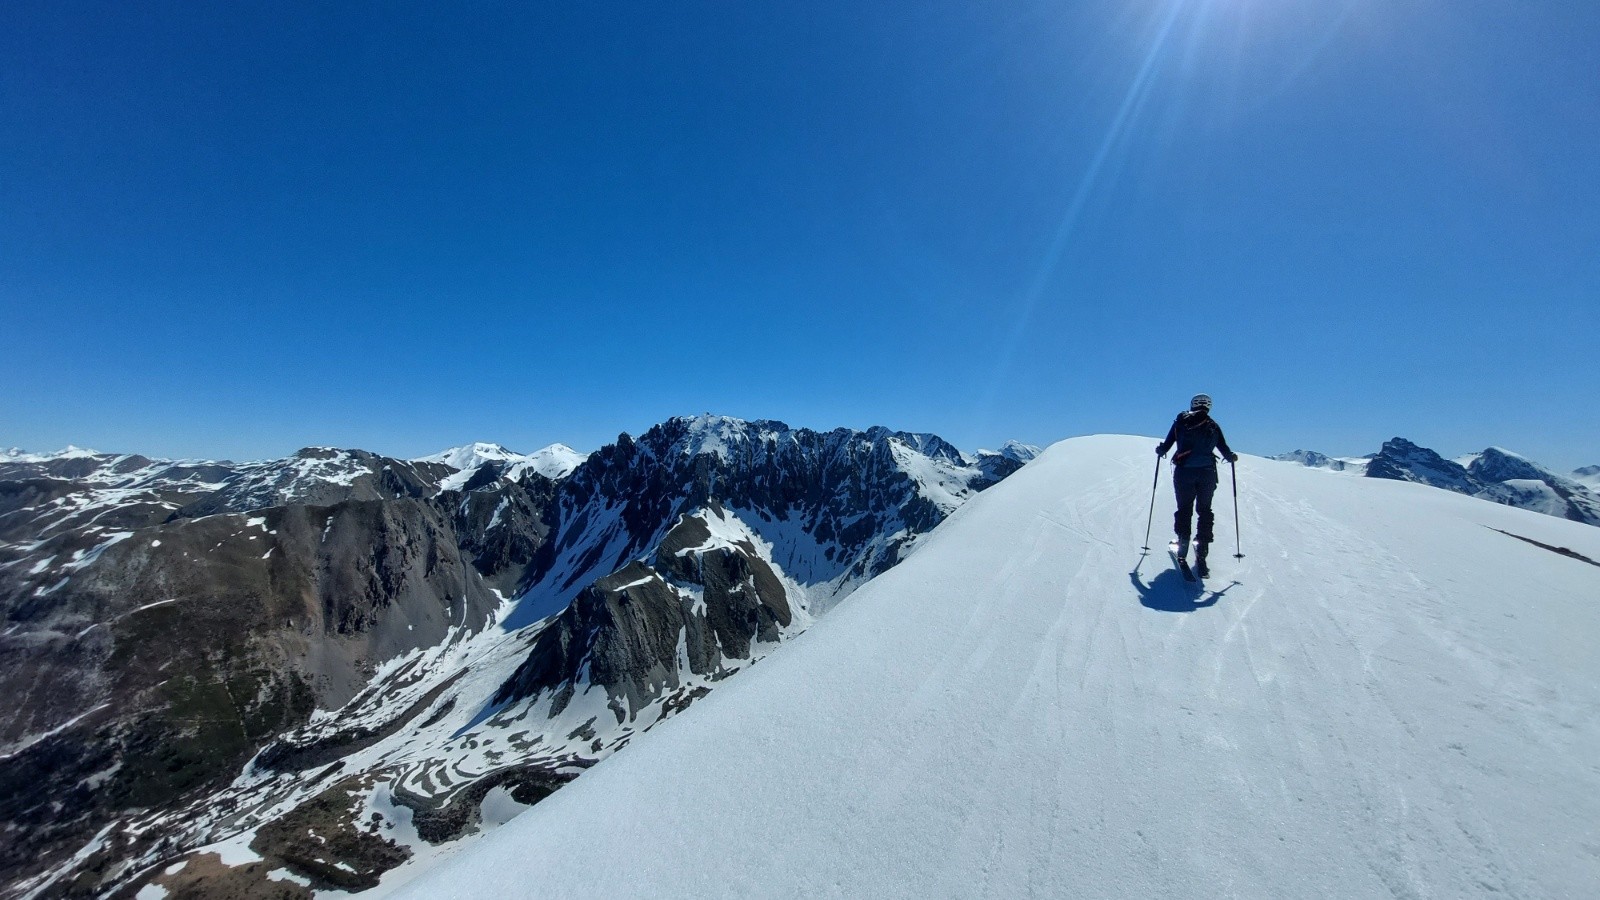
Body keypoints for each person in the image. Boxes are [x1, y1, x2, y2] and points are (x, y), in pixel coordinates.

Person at [1155, 393, 1237, 577]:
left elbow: (1167, 445)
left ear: (1192, 405)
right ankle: (1202, 553)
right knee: (1205, 511)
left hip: (1184, 473)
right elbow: (1223, 448)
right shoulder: (1213, 425)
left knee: (1184, 509)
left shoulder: (1180, 422)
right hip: (1207, 474)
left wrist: (1160, 450)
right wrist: (1231, 457)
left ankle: (1182, 546)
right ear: (1209, 407)